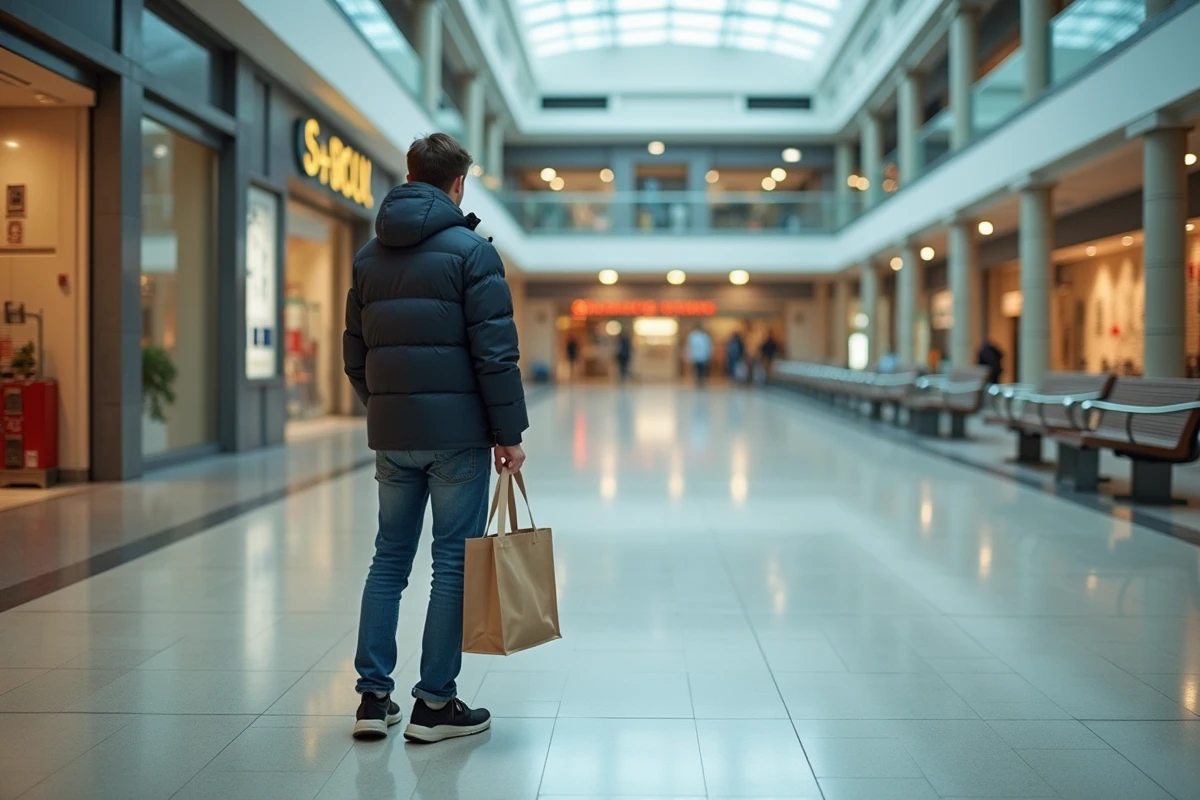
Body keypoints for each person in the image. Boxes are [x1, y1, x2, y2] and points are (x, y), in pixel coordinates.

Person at [343, 133, 528, 744]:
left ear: (410, 176)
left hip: (393, 438)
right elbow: (495, 356)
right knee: (451, 565)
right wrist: (509, 434)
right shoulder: (473, 253)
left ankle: (373, 700)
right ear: (459, 184)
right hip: (458, 440)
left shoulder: (368, 257)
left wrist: (387, 410)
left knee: (388, 559)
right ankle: (434, 705)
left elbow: (354, 354)